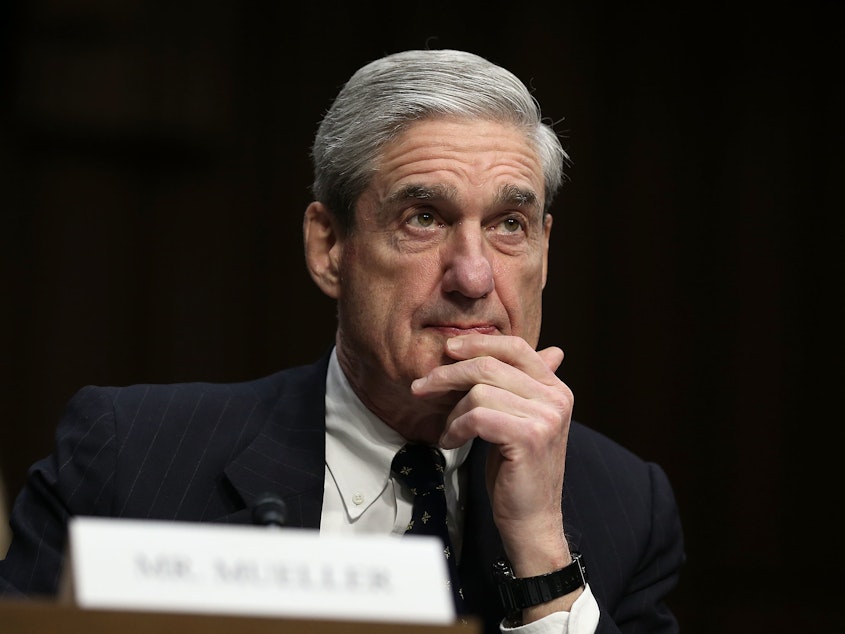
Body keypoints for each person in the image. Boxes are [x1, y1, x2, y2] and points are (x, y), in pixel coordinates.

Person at [0, 49, 685, 632]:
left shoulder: (624, 506)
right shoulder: (130, 456)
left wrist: (541, 554)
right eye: (423, 217)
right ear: (329, 247)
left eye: (510, 224)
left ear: (544, 250)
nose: (474, 275)